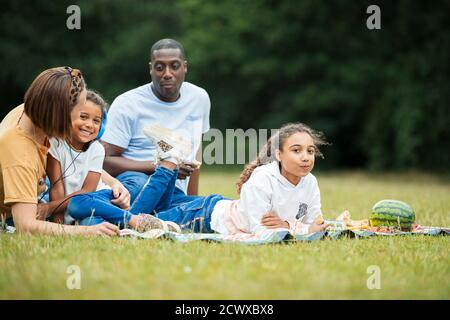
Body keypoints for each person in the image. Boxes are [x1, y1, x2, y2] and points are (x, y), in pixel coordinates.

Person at [134, 123, 331, 235]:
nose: (305, 157)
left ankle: (172, 159)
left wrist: (289, 226)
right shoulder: (263, 178)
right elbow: (259, 229)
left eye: (310, 151)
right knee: (133, 221)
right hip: (203, 216)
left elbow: (315, 222)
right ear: (278, 155)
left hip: (222, 207)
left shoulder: (310, 181)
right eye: (296, 150)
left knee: (155, 212)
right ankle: (170, 161)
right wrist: (299, 228)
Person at [0, 67, 119, 236]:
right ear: (60, 113)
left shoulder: (33, 109)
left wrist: (113, 182)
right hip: (16, 211)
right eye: (80, 113)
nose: (83, 121)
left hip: (40, 190)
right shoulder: (21, 154)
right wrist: (86, 231)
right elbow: (25, 225)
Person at [46, 90, 181, 232]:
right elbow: (57, 187)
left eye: (96, 121)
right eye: (83, 117)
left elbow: (87, 191)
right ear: (68, 117)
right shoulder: (55, 144)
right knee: (91, 222)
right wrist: (59, 226)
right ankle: (135, 224)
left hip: (101, 198)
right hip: (82, 213)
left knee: (77, 202)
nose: (89, 125)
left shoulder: (96, 149)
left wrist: (49, 207)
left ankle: (167, 166)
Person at [101, 38, 210, 207]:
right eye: (160, 67)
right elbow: (105, 160)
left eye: (174, 66)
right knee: (137, 185)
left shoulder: (199, 98)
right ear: (151, 69)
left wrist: (193, 200)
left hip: (174, 191)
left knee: (214, 205)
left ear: (185, 67)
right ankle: (125, 217)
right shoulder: (127, 103)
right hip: (136, 183)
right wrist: (163, 167)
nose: (167, 73)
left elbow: (195, 151)